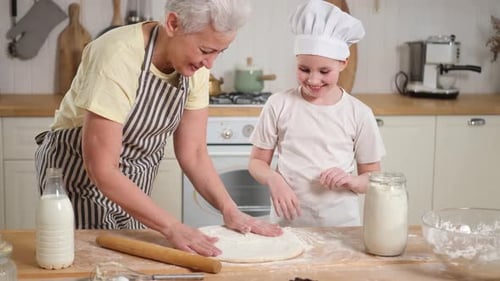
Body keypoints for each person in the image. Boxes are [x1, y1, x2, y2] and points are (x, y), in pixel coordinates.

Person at [34, 0, 282, 257]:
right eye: (206, 50)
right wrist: (172, 225)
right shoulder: (117, 54)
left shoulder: (194, 67)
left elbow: (194, 153)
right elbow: (102, 168)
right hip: (81, 176)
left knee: (129, 261)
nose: (209, 64)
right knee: (95, 262)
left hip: (135, 180)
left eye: (221, 51)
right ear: (173, 24)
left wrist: (230, 209)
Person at [248, 0, 386, 227]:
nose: (313, 80)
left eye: (324, 71)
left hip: (341, 228)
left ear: (343, 62)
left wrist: (351, 181)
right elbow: (256, 162)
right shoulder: (278, 104)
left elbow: (373, 179)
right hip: (288, 225)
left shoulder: (358, 113)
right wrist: (273, 178)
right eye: (304, 69)